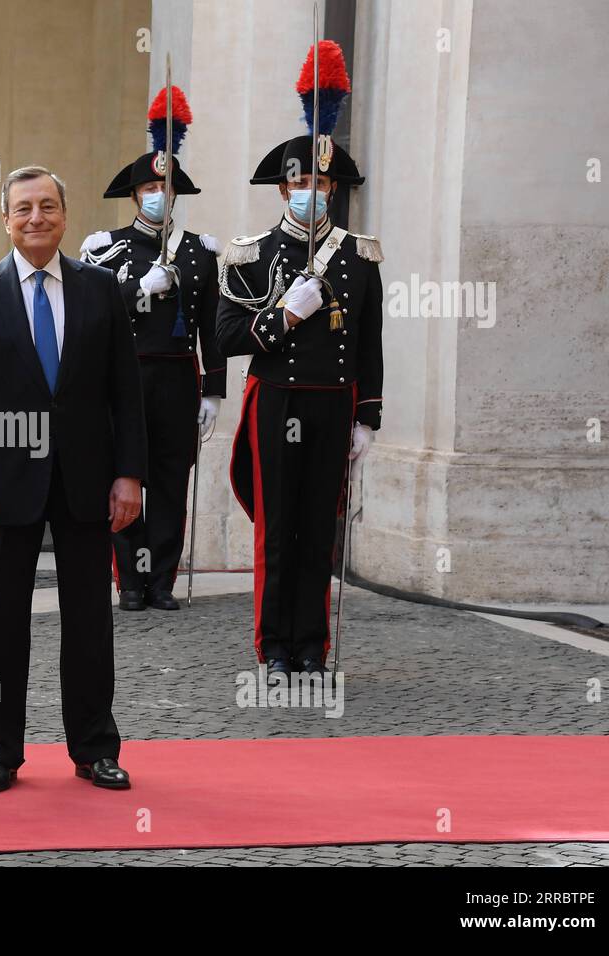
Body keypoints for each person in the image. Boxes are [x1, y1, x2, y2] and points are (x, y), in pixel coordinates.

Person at [0, 165, 147, 793]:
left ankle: (94, 747)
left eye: (48, 206)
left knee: (89, 620)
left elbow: (125, 394)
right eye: (24, 208)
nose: (37, 218)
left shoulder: (102, 289)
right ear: (6, 218)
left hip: (87, 481)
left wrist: (129, 475)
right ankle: (0, 749)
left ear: (64, 214)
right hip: (5, 485)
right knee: (4, 621)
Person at [215, 41, 383, 680]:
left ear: (334, 188)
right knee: (277, 524)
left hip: (332, 398)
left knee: (319, 525)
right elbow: (228, 334)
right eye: (300, 182)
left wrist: (367, 414)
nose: (310, 191)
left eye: (321, 182)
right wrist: (284, 314)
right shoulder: (250, 253)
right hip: (276, 396)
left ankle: (312, 644)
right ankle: (273, 644)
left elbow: (369, 341)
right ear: (283, 187)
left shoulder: (359, 255)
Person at [81, 86, 227, 611]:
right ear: (135, 194)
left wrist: (213, 390)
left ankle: (161, 578)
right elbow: (92, 312)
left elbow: (211, 326)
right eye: (147, 186)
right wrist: (139, 288)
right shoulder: (106, 247)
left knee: (169, 480)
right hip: (123, 376)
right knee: (124, 476)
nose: (155, 194)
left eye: (163, 186)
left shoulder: (199, 251)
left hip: (177, 378)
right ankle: (131, 579)